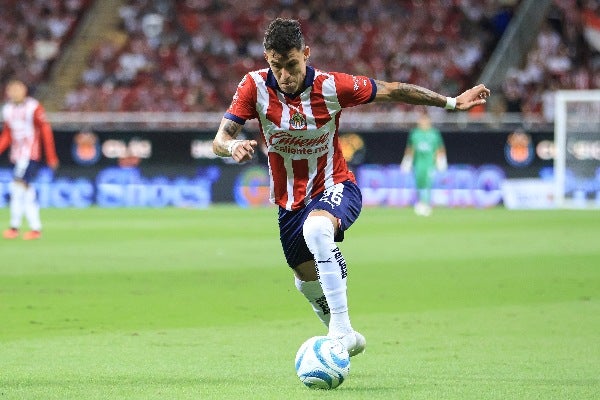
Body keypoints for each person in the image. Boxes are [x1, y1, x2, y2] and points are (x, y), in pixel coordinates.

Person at [212, 18, 489, 357]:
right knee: (305, 280)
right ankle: (346, 336)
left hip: (336, 184)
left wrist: (451, 103)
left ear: (306, 54)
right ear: (267, 59)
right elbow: (220, 139)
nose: (285, 75)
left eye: (292, 65)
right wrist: (231, 147)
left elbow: (393, 90)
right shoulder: (253, 86)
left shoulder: (331, 87)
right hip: (290, 202)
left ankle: (341, 331)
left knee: (317, 230)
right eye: (276, 66)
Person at [0, 79, 59, 240]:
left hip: (30, 155)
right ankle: (32, 228)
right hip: (16, 156)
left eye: (17, 89)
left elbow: (45, 130)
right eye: (11, 89)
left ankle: (16, 227)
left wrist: (51, 156)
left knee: (17, 187)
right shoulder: (7, 109)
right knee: (25, 190)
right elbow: (7, 134)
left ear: (24, 90)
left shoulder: (33, 107)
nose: (14, 92)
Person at [400, 112, 447, 216]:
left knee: (427, 183)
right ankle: (420, 202)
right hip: (418, 163)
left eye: (425, 120)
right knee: (419, 184)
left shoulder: (434, 133)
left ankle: (426, 204)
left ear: (429, 121)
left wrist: (441, 161)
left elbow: (439, 148)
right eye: (421, 120)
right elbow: (410, 148)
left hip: (430, 163)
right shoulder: (415, 133)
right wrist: (407, 161)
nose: (423, 122)